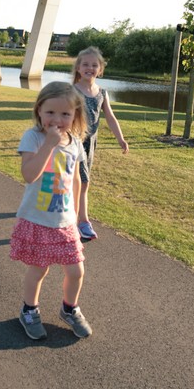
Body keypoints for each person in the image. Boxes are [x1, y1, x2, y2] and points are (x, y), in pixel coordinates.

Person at [10, 81, 92, 340]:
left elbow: (76, 181)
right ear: (39, 111)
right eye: (50, 112)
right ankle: (29, 310)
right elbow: (29, 175)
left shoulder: (75, 142)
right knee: (39, 270)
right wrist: (48, 145)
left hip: (65, 221)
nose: (57, 120)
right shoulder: (33, 137)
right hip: (38, 219)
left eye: (65, 114)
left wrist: (78, 216)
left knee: (76, 271)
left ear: (75, 115)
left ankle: (69, 308)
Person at [71, 47, 128, 242]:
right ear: (78, 68)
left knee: (78, 181)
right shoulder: (72, 91)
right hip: (74, 142)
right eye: (85, 64)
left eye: (94, 65)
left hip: (91, 143)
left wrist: (120, 138)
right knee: (82, 181)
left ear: (100, 69)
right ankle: (82, 221)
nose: (90, 68)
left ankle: (64, 213)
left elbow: (110, 117)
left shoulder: (102, 92)